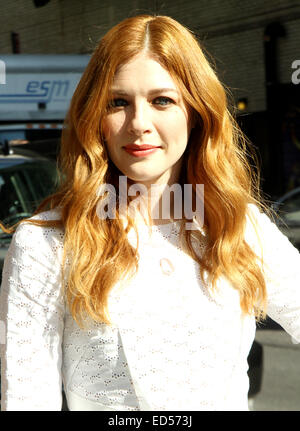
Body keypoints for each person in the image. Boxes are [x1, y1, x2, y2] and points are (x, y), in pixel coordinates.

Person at [1, 14, 300, 412]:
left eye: (162, 100)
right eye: (118, 102)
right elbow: (26, 399)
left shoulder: (239, 227)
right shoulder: (46, 243)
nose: (139, 123)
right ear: (95, 118)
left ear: (195, 113)